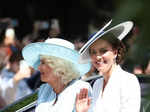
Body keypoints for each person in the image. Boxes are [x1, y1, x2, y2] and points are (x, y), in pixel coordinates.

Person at [75, 21, 141, 112]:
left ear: (115, 52)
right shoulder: (97, 84)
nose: (98, 57)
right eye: (93, 52)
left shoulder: (129, 81)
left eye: (103, 51)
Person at [22, 38, 92, 112]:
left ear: (59, 66)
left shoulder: (80, 88)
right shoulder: (44, 89)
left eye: (43, 63)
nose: (38, 67)